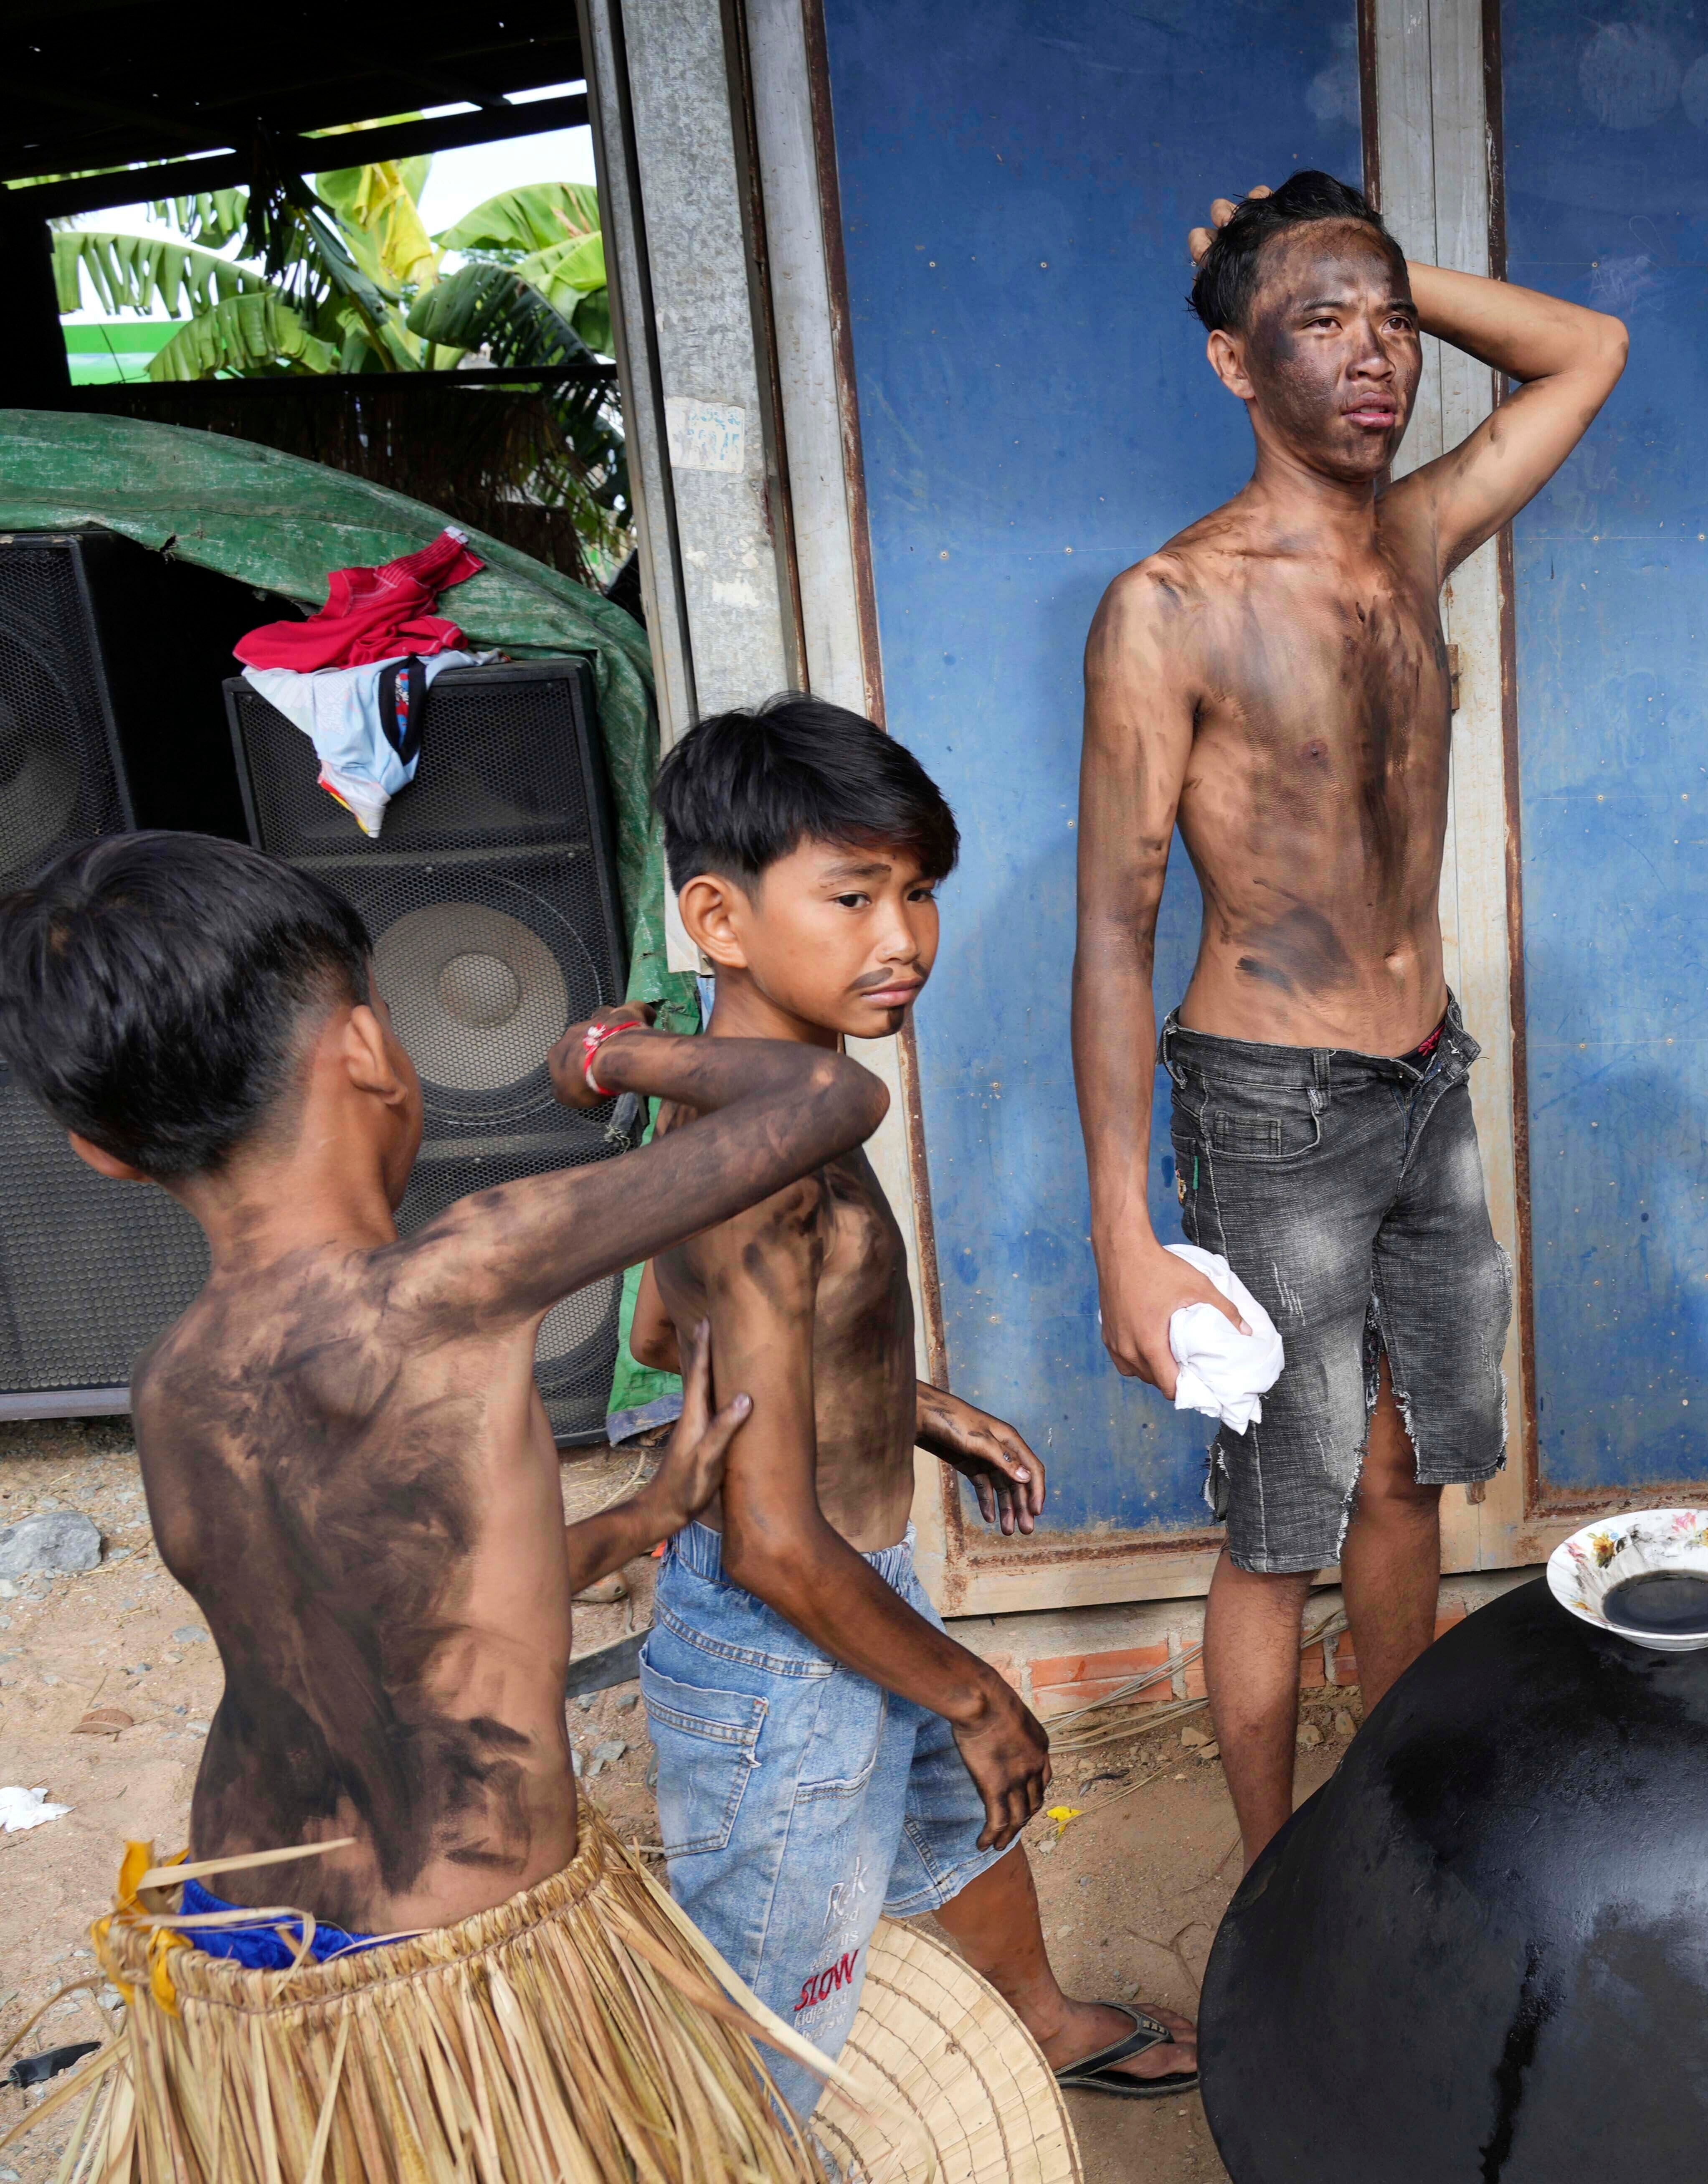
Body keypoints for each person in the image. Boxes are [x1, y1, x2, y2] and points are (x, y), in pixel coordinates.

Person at [0, 829, 882, 2176]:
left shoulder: (175, 1380)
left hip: (245, 1944)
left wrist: (644, 1520)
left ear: (102, 1155)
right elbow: (826, 1097)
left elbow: (380, 1610)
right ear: (367, 1048)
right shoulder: (459, 1273)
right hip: (463, 1975)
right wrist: (614, 1056)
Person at [1073, 171, 1626, 1861]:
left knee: (1410, 1478)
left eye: (1388, 329)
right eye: (1321, 330)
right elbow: (1111, 925)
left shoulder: (1414, 533)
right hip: (1269, 1098)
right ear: (1236, 369)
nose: (1374, 359)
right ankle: (1273, 1882)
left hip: (1422, 1078)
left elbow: (1587, 352)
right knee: (1279, 1520)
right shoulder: (1169, 607)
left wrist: (1369, 265)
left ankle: (1390, 1832)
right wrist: (1121, 1232)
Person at [634, 696, 1198, 2107]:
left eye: (920, 891)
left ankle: (1047, 2023)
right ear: (719, 918)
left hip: (850, 1579)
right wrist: (971, 1685)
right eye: (853, 895)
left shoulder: (766, 1100)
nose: (903, 939)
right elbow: (770, 1544)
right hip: (786, 1637)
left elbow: (665, 1331)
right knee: (784, 1998)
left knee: (965, 1817)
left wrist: (914, 1405)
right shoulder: (764, 1165)